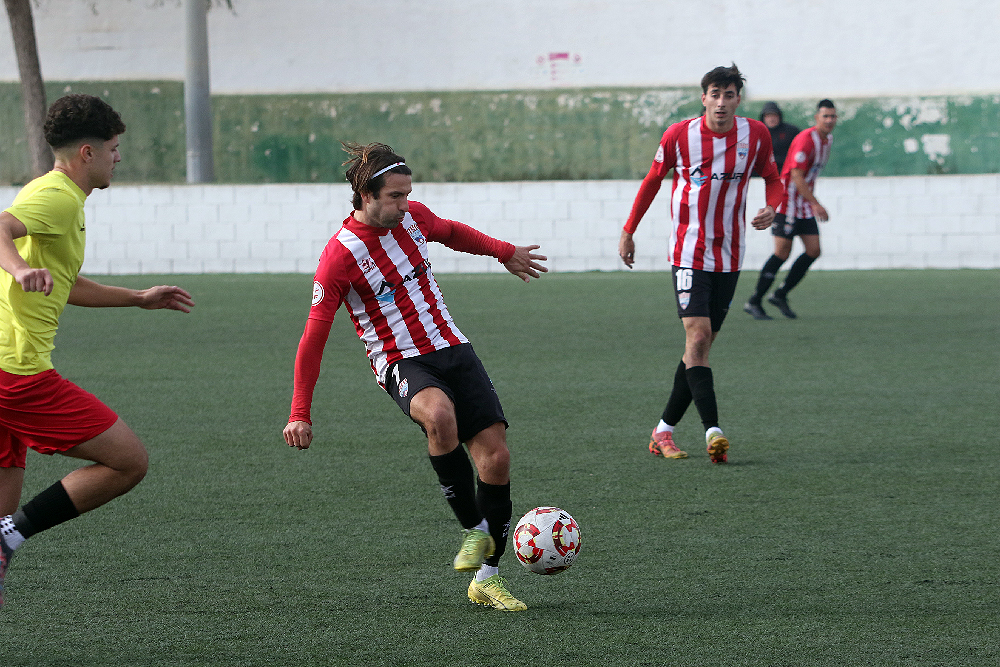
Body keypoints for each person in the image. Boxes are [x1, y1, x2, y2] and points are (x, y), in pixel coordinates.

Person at [282, 142, 547, 611]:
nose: (405, 205)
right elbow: (312, 337)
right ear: (366, 194)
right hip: (401, 359)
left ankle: (487, 576)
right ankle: (475, 530)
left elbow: (452, 232)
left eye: (408, 195)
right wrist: (300, 411)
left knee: (497, 460)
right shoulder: (339, 258)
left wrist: (504, 252)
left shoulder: (414, 219)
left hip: (453, 347)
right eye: (395, 197)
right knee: (439, 417)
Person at [0, 94, 195, 608]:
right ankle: (9, 536)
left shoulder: (58, 196)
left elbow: (65, 282)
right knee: (127, 462)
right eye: (113, 148)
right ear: (87, 152)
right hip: (16, 374)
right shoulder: (58, 196)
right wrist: (19, 270)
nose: (118, 157)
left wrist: (137, 298)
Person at [618, 64, 782, 464]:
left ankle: (663, 431)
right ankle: (714, 432)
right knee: (698, 337)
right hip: (688, 253)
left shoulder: (755, 135)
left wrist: (772, 208)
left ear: (738, 99)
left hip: (730, 256)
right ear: (703, 97)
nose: (721, 102)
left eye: (729, 95)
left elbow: (773, 178)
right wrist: (628, 230)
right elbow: (653, 180)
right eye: (715, 94)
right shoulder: (680, 135)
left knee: (700, 348)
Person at [744, 99, 838, 320]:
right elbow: (796, 174)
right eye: (825, 116)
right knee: (782, 253)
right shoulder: (806, 139)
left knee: (813, 250)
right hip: (787, 201)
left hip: (803, 203)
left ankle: (780, 294)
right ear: (817, 118)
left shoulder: (828, 140)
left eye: (833, 116)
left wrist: (810, 202)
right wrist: (815, 202)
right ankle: (754, 300)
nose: (829, 120)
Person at [760, 101, 800, 171]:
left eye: (774, 115)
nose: (771, 119)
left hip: (786, 169)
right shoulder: (758, 133)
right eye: (768, 116)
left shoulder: (791, 131)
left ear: (779, 116)